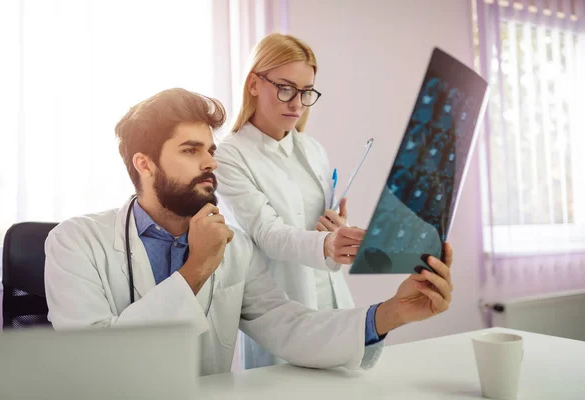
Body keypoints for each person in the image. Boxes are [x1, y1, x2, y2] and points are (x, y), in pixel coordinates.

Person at [44, 88, 454, 377]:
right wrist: (198, 268)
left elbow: (289, 326)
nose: (210, 163)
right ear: (144, 164)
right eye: (190, 150)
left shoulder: (234, 248)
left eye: (211, 150)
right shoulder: (75, 242)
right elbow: (94, 364)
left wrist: (390, 314)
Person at [214, 33, 358, 369]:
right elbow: (268, 233)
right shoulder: (229, 155)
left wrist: (337, 230)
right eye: (285, 88)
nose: (296, 103)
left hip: (334, 301)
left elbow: (317, 225)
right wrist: (326, 244)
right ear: (253, 83)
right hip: (282, 310)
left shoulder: (312, 149)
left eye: (306, 92)